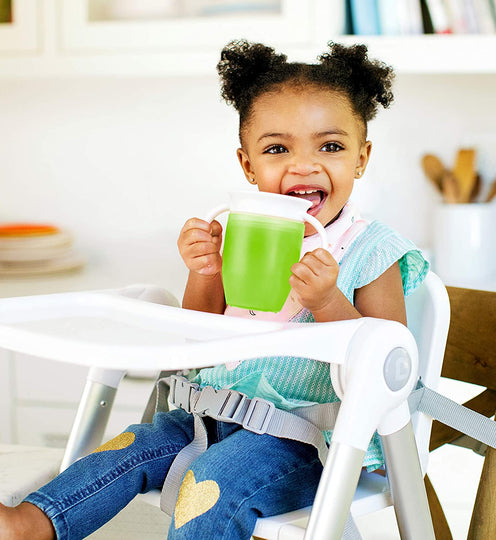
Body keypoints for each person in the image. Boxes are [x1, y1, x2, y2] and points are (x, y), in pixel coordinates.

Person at [0, 39, 429, 540]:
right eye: (277, 149)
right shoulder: (243, 236)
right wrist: (204, 270)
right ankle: (31, 523)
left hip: (308, 442)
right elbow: (197, 337)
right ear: (249, 167)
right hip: (207, 415)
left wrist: (328, 303)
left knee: (212, 481)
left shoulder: (373, 250)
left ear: (361, 158)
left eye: (330, 146)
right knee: (127, 448)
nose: (304, 165)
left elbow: (387, 366)